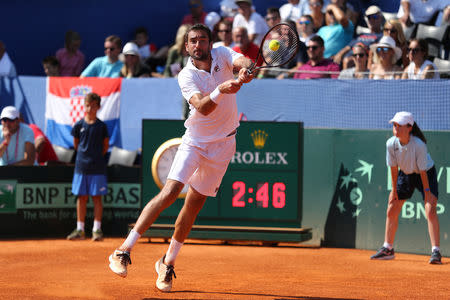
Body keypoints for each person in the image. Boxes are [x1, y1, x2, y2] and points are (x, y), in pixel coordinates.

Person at [108, 23, 254, 292]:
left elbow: (241, 59)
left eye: (203, 40)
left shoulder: (222, 53)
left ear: (210, 43)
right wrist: (222, 89)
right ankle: (122, 250)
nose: (199, 45)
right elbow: (202, 107)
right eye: (193, 41)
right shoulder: (186, 75)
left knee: (194, 206)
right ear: (186, 47)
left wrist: (244, 68)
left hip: (224, 145)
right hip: (195, 142)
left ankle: (167, 263)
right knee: (171, 192)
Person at [371, 111, 442, 265]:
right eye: (394, 125)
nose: (396, 128)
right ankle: (388, 248)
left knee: (430, 210)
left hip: (425, 174)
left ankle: (436, 251)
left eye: (400, 125)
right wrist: (394, 190)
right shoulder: (390, 144)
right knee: (392, 208)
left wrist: (428, 192)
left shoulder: (419, 145)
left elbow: (422, 171)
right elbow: (394, 169)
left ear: (409, 127)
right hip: (406, 173)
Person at [66, 93, 109, 241]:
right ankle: (80, 229)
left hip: (98, 167)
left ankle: (97, 230)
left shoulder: (102, 126)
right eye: (87, 105)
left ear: (98, 107)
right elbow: (77, 145)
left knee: (97, 198)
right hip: (81, 168)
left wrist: (95, 157)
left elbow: (105, 147)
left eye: (93, 105)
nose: (89, 108)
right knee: (82, 198)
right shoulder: (78, 125)